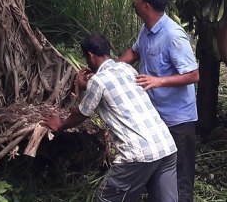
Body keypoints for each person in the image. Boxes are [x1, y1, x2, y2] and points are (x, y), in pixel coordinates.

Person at [43, 33, 178, 202]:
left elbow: (81, 114)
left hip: (138, 154)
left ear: (90, 56)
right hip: (166, 145)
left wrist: (59, 125)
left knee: (105, 198)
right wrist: (87, 86)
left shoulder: (97, 81)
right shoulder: (127, 69)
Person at [119, 0, 199, 202]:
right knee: (159, 174)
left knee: (180, 178)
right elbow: (133, 53)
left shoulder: (173, 35)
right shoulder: (146, 29)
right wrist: (110, 69)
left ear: (145, 5)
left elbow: (193, 75)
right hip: (156, 117)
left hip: (178, 121)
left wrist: (158, 81)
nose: (133, 0)